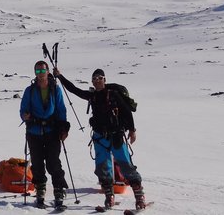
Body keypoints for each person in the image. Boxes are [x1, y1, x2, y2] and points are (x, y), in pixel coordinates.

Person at [53, 68, 146, 210]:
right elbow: (73, 89)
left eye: (100, 78)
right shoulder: (92, 96)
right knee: (103, 167)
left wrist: (132, 130)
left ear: (104, 79)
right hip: (99, 137)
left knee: (126, 165)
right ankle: (109, 196)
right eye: (94, 79)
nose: (97, 81)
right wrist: (60, 77)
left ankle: (139, 197)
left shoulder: (114, 95)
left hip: (116, 135)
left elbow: (127, 112)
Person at [20, 61, 70, 209]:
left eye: (43, 71)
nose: (40, 74)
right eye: (38, 71)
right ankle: (40, 188)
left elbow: (61, 109)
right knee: (36, 163)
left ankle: (58, 190)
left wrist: (63, 128)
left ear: (48, 72)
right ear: (35, 73)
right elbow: (23, 109)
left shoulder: (55, 89)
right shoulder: (29, 90)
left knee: (53, 161)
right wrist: (25, 116)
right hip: (34, 131)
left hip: (52, 131)